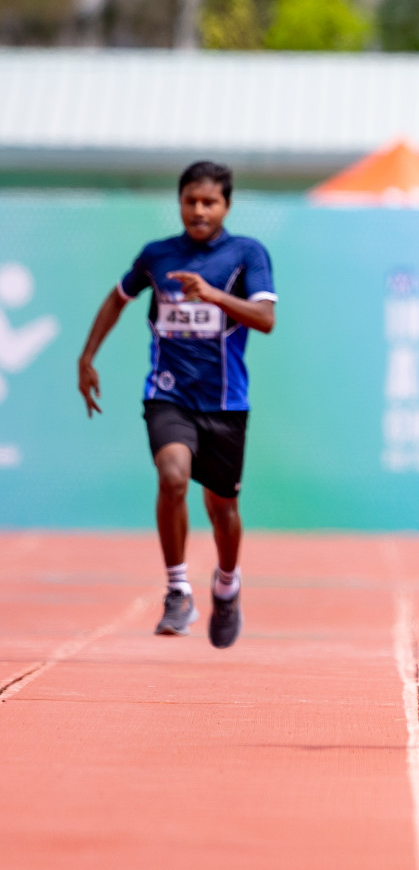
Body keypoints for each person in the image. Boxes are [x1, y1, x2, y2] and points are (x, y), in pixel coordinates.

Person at [77, 161, 277, 649]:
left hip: (226, 402)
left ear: (226, 205)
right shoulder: (158, 256)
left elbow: (265, 318)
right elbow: (118, 297)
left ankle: (226, 585)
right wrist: (87, 357)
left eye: (209, 202)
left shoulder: (246, 254)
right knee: (172, 477)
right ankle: (178, 589)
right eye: (190, 201)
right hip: (167, 393)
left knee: (222, 506)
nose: (199, 210)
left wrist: (211, 294)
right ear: (180, 203)